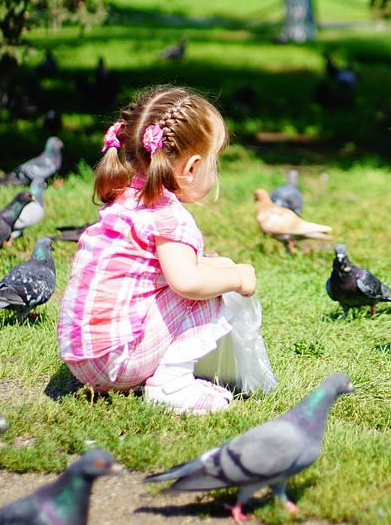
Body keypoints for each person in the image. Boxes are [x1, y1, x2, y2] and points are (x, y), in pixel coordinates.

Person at [57, 86, 258, 414]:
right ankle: (171, 384)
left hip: (82, 359)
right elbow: (187, 283)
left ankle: (159, 370)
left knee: (210, 269)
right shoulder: (169, 216)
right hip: (116, 361)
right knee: (210, 283)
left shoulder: (126, 198)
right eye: (214, 161)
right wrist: (236, 276)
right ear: (191, 167)